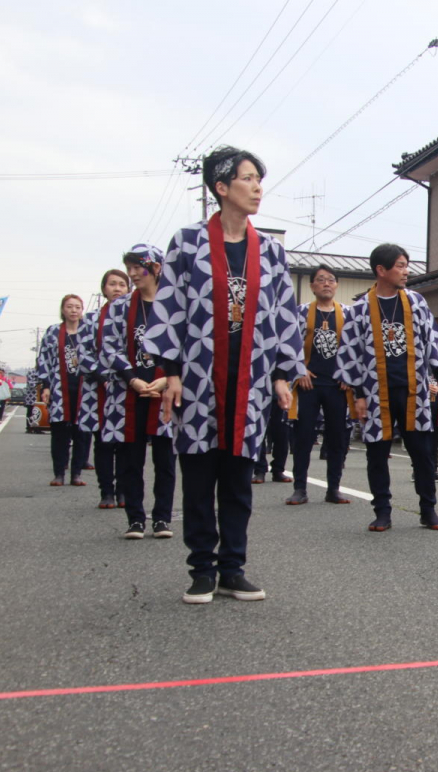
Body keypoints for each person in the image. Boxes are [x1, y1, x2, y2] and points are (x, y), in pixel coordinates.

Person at [142, 145, 305, 604]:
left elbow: (283, 314)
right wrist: (171, 371)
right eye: (247, 179)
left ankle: (233, 567)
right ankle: (201, 568)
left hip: (250, 380)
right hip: (198, 379)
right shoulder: (188, 242)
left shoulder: (270, 250)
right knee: (198, 476)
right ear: (221, 186)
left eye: (259, 180)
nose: (257, 188)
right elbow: (170, 306)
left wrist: (281, 375)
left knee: (237, 479)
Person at [335, 243, 438, 532]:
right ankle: (382, 511)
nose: (406, 271)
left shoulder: (416, 301)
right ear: (381, 270)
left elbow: (431, 342)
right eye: (400, 266)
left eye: (406, 265)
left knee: (422, 454)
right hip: (375, 393)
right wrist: (358, 396)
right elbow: (351, 353)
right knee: (377, 454)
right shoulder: (360, 308)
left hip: (415, 390)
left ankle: (428, 509)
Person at [100, 245, 176, 539]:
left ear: (155, 268)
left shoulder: (173, 303)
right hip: (128, 390)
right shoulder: (119, 307)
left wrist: (166, 379)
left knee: (165, 459)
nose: (132, 274)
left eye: (137, 267)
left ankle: (162, 518)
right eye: (129, 268)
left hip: (165, 389)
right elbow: (109, 346)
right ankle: (135, 518)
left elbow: (184, 344)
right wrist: (132, 379)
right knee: (130, 459)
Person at [285, 265, 355, 506]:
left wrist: (348, 374)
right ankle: (299, 488)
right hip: (308, 384)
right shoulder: (300, 312)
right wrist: (299, 369)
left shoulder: (348, 313)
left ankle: (333, 488)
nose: (326, 283)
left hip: (337, 385)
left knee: (337, 439)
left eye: (331, 280)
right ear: (312, 286)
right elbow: (288, 342)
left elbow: (357, 346)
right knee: (303, 437)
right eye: (321, 279)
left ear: (337, 285)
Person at [82, 268, 131, 509]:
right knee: (103, 443)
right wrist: (102, 375)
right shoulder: (91, 319)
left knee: (125, 444)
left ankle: (123, 491)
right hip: (98, 388)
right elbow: (83, 353)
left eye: (122, 284)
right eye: (112, 284)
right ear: (104, 289)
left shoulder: (134, 315)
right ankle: (106, 492)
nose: (117, 288)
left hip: (127, 386)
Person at [36, 295, 95, 487]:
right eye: (69, 307)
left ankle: (76, 473)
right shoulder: (53, 332)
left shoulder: (89, 332)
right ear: (63, 309)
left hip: (85, 389)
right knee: (59, 433)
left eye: (77, 307)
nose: (73, 310)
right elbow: (44, 359)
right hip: (59, 389)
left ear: (82, 310)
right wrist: (45, 386)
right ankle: (59, 473)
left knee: (82, 433)